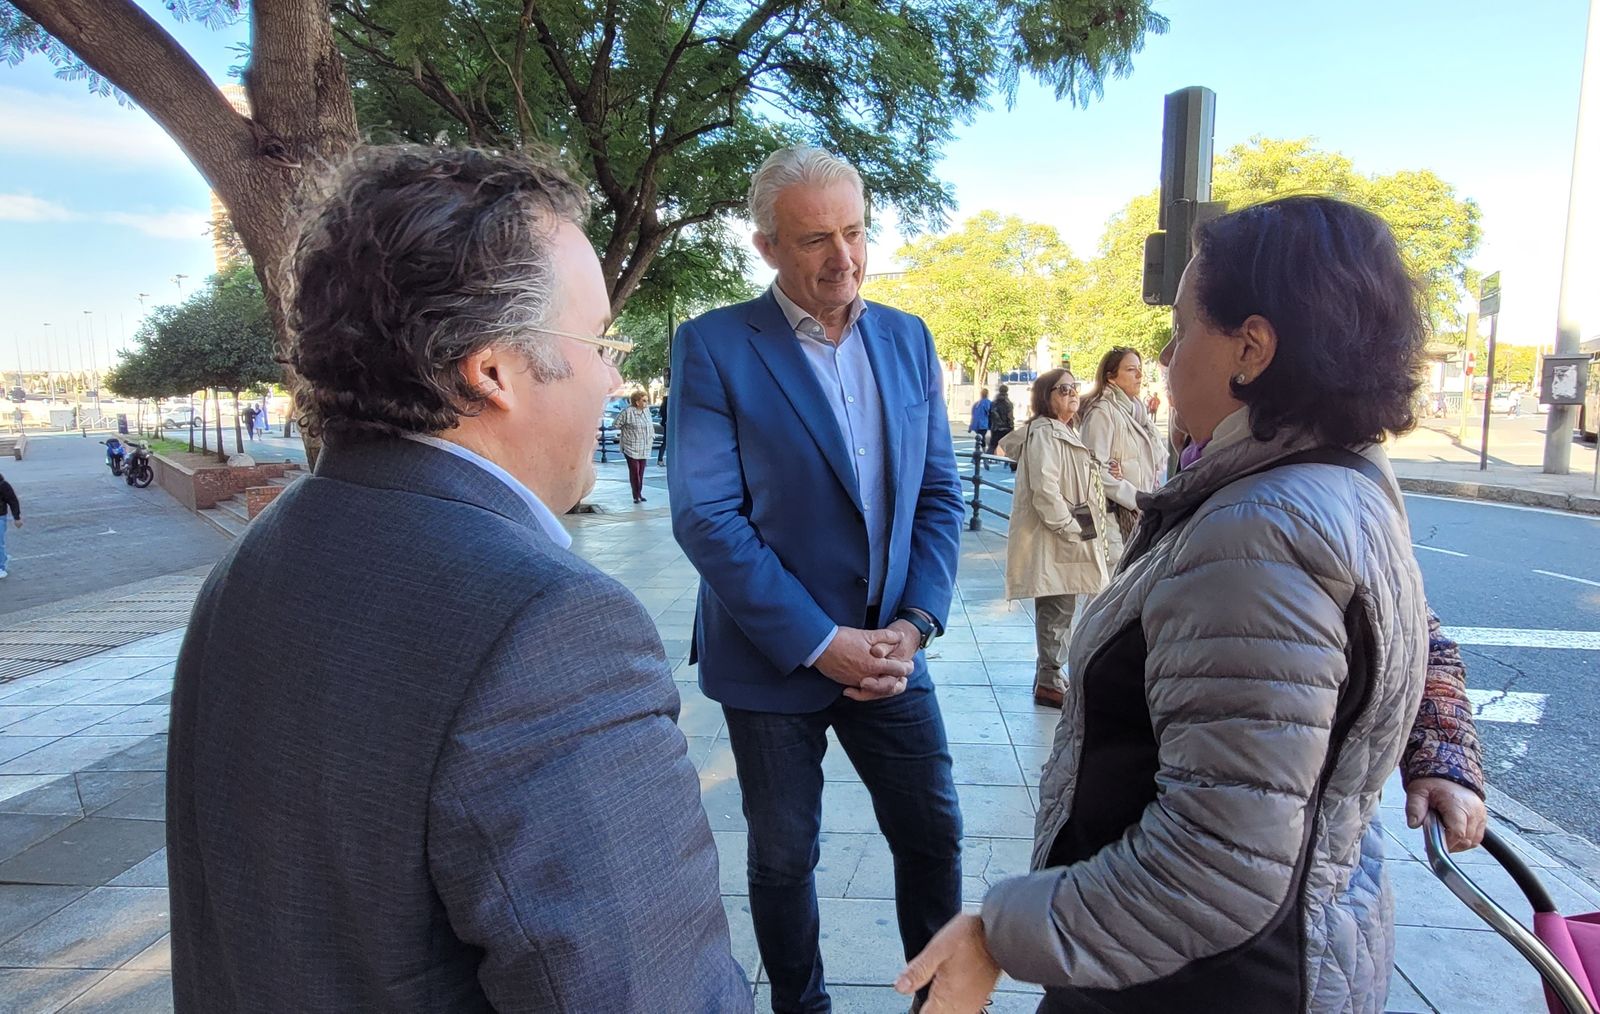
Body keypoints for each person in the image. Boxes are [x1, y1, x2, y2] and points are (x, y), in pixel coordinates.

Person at [166, 146, 749, 1013]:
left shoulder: (263, 555)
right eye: (600, 343)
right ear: (492, 372)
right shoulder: (549, 625)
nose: (613, 376)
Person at [899, 195, 1437, 1013]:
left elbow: (1215, 862)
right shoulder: (1337, 484)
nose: (1164, 350)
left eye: (1182, 327)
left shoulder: (1260, 537)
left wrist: (998, 931)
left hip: (1193, 982)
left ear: (1250, 349)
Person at [669, 144, 965, 1014]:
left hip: (889, 649)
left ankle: (938, 1001)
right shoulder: (715, 345)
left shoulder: (908, 339)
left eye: (855, 231)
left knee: (934, 834)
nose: (844, 257)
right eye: (814, 241)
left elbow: (939, 496)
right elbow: (707, 518)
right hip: (773, 655)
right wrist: (818, 642)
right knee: (783, 856)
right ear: (765, 247)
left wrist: (914, 623)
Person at [998, 370, 1111, 709]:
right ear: (1046, 396)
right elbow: (1044, 489)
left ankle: (1050, 674)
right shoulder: (1045, 433)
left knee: (1064, 604)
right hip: (1059, 536)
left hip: (1072, 532)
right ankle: (1049, 678)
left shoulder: (1063, 430)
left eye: (1075, 387)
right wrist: (1068, 527)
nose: (1073, 394)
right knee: (1057, 606)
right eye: (1064, 389)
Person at [1077, 345, 1164, 560]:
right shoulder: (1102, 412)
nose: (1139, 375)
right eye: (1131, 370)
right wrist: (1135, 497)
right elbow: (1094, 469)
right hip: (1113, 518)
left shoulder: (1137, 412)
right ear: (1111, 378)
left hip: (1137, 516)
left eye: (1139, 369)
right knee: (1108, 587)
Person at [618, 389, 654, 503]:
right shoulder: (628, 412)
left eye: (646, 401)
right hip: (631, 446)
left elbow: (649, 425)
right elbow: (616, 424)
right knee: (634, 472)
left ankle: (639, 493)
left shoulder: (647, 411)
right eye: (644, 400)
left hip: (644, 447)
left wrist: (651, 436)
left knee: (641, 472)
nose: (646, 403)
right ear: (637, 402)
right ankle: (636, 495)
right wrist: (627, 432)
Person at [987, 384, 1015, 470]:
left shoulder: (994, 403)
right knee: (1009, 446)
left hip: (995, 427)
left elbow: (990, 415)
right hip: (1006, 428)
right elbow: (1010, 416)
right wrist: (1011, 426)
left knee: (993, 444)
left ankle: (986, 459)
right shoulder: (1008, 403)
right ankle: (1011, 464)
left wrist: (990, 425)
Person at [0, 471, 20, 579]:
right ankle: (3, 558)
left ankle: (1, 567)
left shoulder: (3, 485)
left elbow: (12, 501)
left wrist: (16, 518)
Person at [969, 387, 992, 466]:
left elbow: (973, 415)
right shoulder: (988, 403)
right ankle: (984, 458)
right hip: (983, 424)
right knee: (982, 441)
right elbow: (990, 413)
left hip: (976, 425)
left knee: (979, 441)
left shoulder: (977, 404)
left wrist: (970, 426)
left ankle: (975, 458)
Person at [657, 390, 669, 464]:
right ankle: (660, 459)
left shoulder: (663, 406)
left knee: (665, 442)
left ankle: (660, 459)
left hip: (666, 424)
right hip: (669, 424)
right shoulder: (668, 405)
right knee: (666, 442)